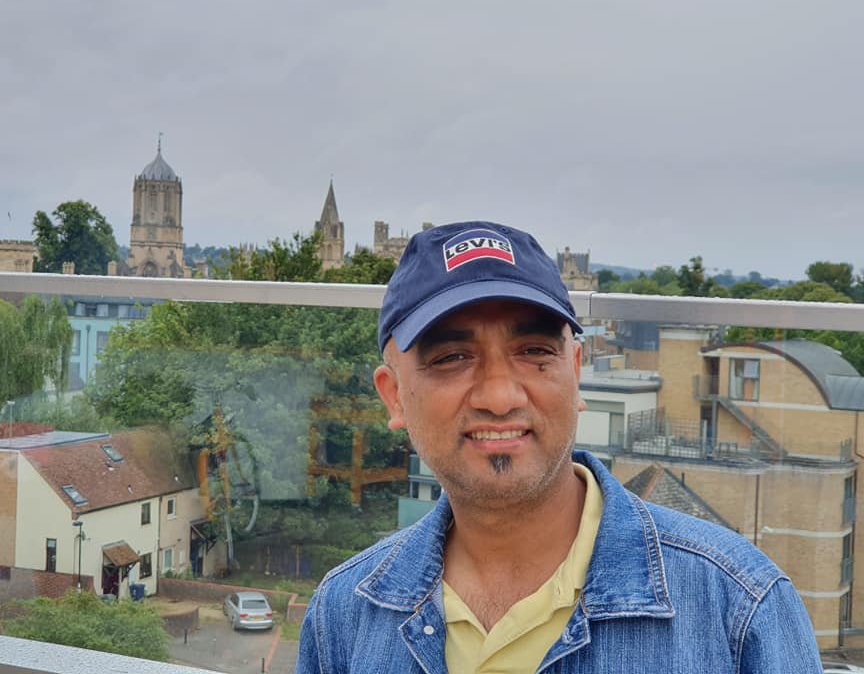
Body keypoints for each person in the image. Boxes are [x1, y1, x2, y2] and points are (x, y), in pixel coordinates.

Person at [296, 221, 821, 673]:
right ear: (393, 396)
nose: (500, 397)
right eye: (452, 357)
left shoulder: (738, 607)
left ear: (575, 373)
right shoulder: (342, 616)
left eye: (534, 351)